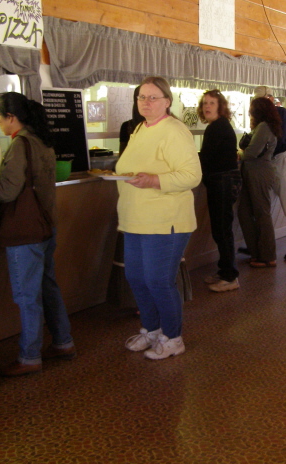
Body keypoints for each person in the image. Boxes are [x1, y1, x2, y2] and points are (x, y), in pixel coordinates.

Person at [0, 92, 75, 377]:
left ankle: (29, 356)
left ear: (12, 118)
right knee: (47, 286)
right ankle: (63, 342)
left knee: (27, 295)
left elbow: (8, 190)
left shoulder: (19, 145)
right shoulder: (42, 141)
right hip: (46, 225)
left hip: (25, 231)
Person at [118, 77, 201, 360]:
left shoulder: (174, 131)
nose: (146, 102)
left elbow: (192, 175)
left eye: (153, 97)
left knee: (158, 280)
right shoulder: (140, 129)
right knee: (136, 278)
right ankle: (152, 330)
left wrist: (154, 179)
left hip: (166, 220)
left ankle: (173, 337)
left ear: (167, 101)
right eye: (141, 97)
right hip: (135, 219)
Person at [253, 86, 286, 261]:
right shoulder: (264, 119)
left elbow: (278, 139)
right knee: (265, 205)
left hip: (285, 158)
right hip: (275, 161)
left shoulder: (281, 113)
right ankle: (261, 244)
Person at [198, 90, 242, 292]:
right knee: (221, 229)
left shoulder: (218, 127)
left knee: (222, 230)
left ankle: (230, 276)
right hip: (222, 180)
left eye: (212, 103)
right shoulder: (217, 126)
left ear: (220, 106)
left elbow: (206, 157)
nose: (207, 106)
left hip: (223, 181)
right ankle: (224, 269)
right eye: (205, 103)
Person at [237, 96, 280, 267]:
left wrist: (239, 154)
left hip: (259, 172)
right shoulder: (268, 127)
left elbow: (251, 153)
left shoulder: (263, 127)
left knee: (262, 214)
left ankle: (268, 255)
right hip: (254, 172)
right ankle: (257, 252)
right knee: (244, 212)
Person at [119, 85, 144, 154]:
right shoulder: (126, 126)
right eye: (141, 97)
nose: (145, 103)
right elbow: (122, 157)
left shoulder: (165, 126)